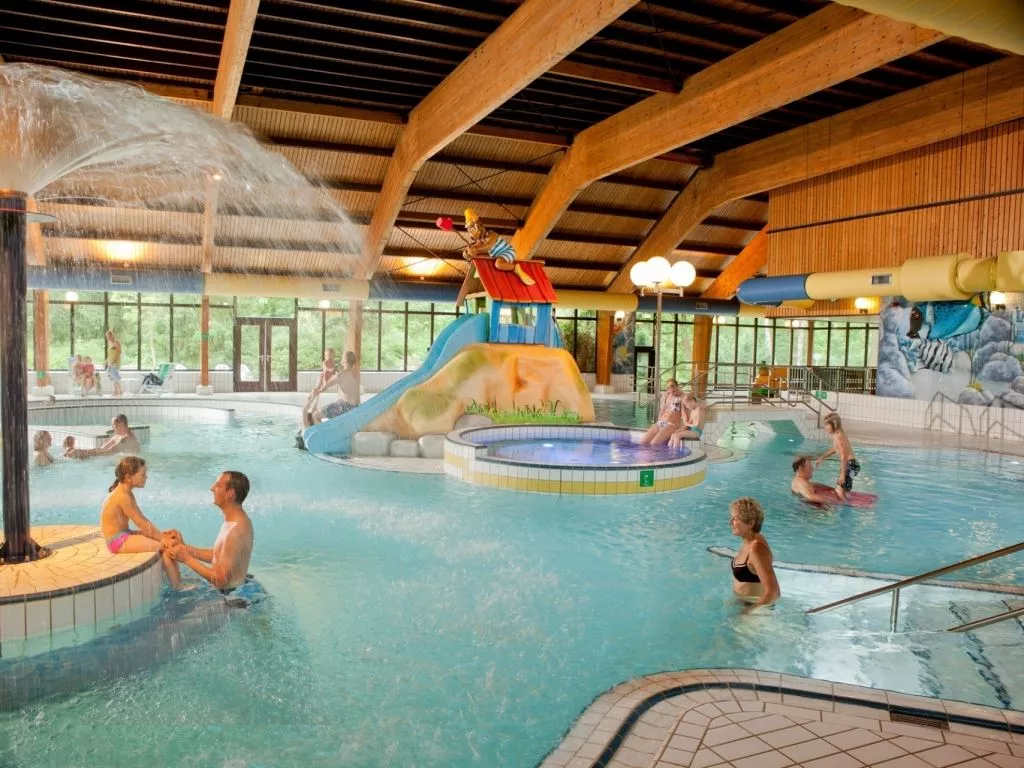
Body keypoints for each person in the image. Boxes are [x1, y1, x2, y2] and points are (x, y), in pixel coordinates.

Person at [100, 456, 181, 588]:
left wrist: (162, 536)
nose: (146, 477)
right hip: (117, 541)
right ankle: (178, 586)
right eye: (143, 474)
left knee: (168, 539)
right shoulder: (122, 496)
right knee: (165, 547)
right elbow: (141, 523)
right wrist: (162, 539)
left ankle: (175, 580)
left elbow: (143, 520)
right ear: (128, 477)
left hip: (125, 534)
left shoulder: (127, 493)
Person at [171, 471, 254, 593]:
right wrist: (185, 549)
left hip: (231, 597)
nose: (212, 488)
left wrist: (187, 559)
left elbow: (221, 580)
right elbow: (221, 555)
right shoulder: (236, 522)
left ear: (230, 494)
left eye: (218, 485)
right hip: (234, 590)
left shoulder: (235, 531)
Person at [729, 497, 781, 607]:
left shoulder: (756, 549)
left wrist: (749, 611)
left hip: (755, 608)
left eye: (735, 519)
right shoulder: (749, 540)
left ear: (750, 523)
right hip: (744, 602)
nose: (730, 522)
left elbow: (774, 592)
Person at [302, 350, 360, 428]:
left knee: (315, 415)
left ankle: (323, 433)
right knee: (331, 407)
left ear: (345, 360)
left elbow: (325, 385)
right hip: (355, 407)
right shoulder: (355, 373)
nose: (341, 358)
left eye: (342, 357)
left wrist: (325, 371)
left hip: (345, 407)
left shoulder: (341, 374)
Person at [816, 412, 860, 503]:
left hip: (850, 465)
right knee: (844, 490)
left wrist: (842, 474)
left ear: (835, 424)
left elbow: (844, 456)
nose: (825, 427)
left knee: (839, 490)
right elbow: (834, 449)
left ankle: (847, 507)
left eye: (827, 425)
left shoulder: (839, 436)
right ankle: (847, 499)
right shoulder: (837, 435)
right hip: (852, 465)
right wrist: (822, 457)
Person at [639, 378, 682, 446]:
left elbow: (693, 403)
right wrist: (657, 423)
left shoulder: (682, 397)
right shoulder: (666, 397)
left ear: (677, 386)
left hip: (671, 424)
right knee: (643, 442)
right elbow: (662, 411)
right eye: (668, 388)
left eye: (672, 386)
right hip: (662, 422)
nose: (671, 389)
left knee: (654, 443)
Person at [105, 330, 123, 397]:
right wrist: (106, 361)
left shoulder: (116, 342)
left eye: (109, 336)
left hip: (115, 363)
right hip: (110, 363)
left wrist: (113, 362)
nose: (108, 338)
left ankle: (120, 391)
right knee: (113, 377)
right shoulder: (110, 344)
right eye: (107, 337)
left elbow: (119, 352)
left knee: (115, 377)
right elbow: (110, 354)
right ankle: (116, 391)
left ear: (112, 335)